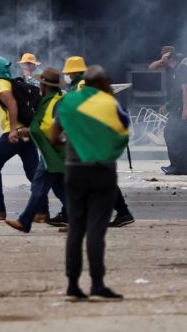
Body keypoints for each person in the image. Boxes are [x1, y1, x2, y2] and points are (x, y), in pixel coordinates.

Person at [54, 66, 129, 301]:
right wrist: (108, 153)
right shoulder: (110, 103)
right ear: (103, 83)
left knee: (76, 229)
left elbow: (53, 136)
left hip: (75, 171)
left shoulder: (68, 102)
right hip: (102, 171)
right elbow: (124, 133)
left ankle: (73, 284)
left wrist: (71, 143)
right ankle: (97, 283)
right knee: (96, 230)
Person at [0, 57, 41, 222]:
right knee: (33, 173)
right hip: (26, 133)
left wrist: (13, 129)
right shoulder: (13, 83)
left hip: (13, 133)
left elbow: (12, 104)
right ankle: (42, 212)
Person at [6, 68, 67, 233]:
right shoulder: (49, 100)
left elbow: (55, 126)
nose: (39, 85)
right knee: (60, 189)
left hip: (53, 152)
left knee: (38, 187)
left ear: (45, 85)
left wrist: (30, 132)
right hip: (50, 151)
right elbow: (44, 124)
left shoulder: (57, 101)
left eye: (41, 82)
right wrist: (28, 131)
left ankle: (25, 221)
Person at [150, 47, 187, 176]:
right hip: (176, 107)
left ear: (169, 56)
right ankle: (181, 167)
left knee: (172, 134)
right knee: (180, 136)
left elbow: (185, 89)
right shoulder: (173, 69)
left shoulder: (182, 68)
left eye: (163, 56)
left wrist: (185, 108)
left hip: (181, 108)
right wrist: (161, 60)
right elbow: (151, 68)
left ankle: (178, 166)